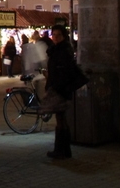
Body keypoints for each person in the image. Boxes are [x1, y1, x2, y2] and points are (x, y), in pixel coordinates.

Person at [45, 25, 75, 159]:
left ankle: (61, 150)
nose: (55, 37)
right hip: (59, 86)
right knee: (60, 118)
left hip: (60, 88)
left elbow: (62, 70)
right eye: (54, 35)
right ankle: (64, 150)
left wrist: (54, 82)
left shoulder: (62, 50)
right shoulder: (58, 49)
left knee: (61, 118)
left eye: (58, 35)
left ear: (63, 36)